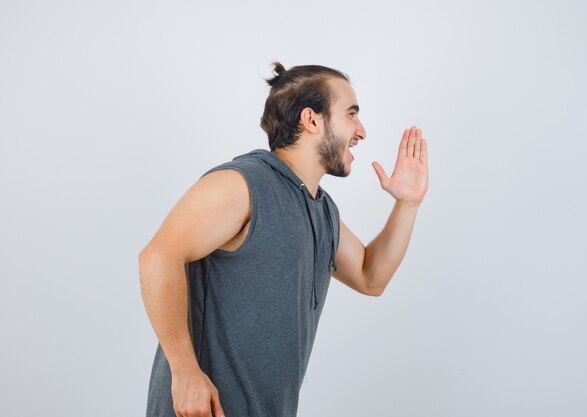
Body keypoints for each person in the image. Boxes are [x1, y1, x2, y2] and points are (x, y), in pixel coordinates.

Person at [138, 61, 429, 417]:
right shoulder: (242, 184)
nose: (361, 131)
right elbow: (157, 258)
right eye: (351, 114)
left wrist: (407, 204)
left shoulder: (321, 210)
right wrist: (184, 372)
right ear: (312, 119)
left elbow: (371, 277)